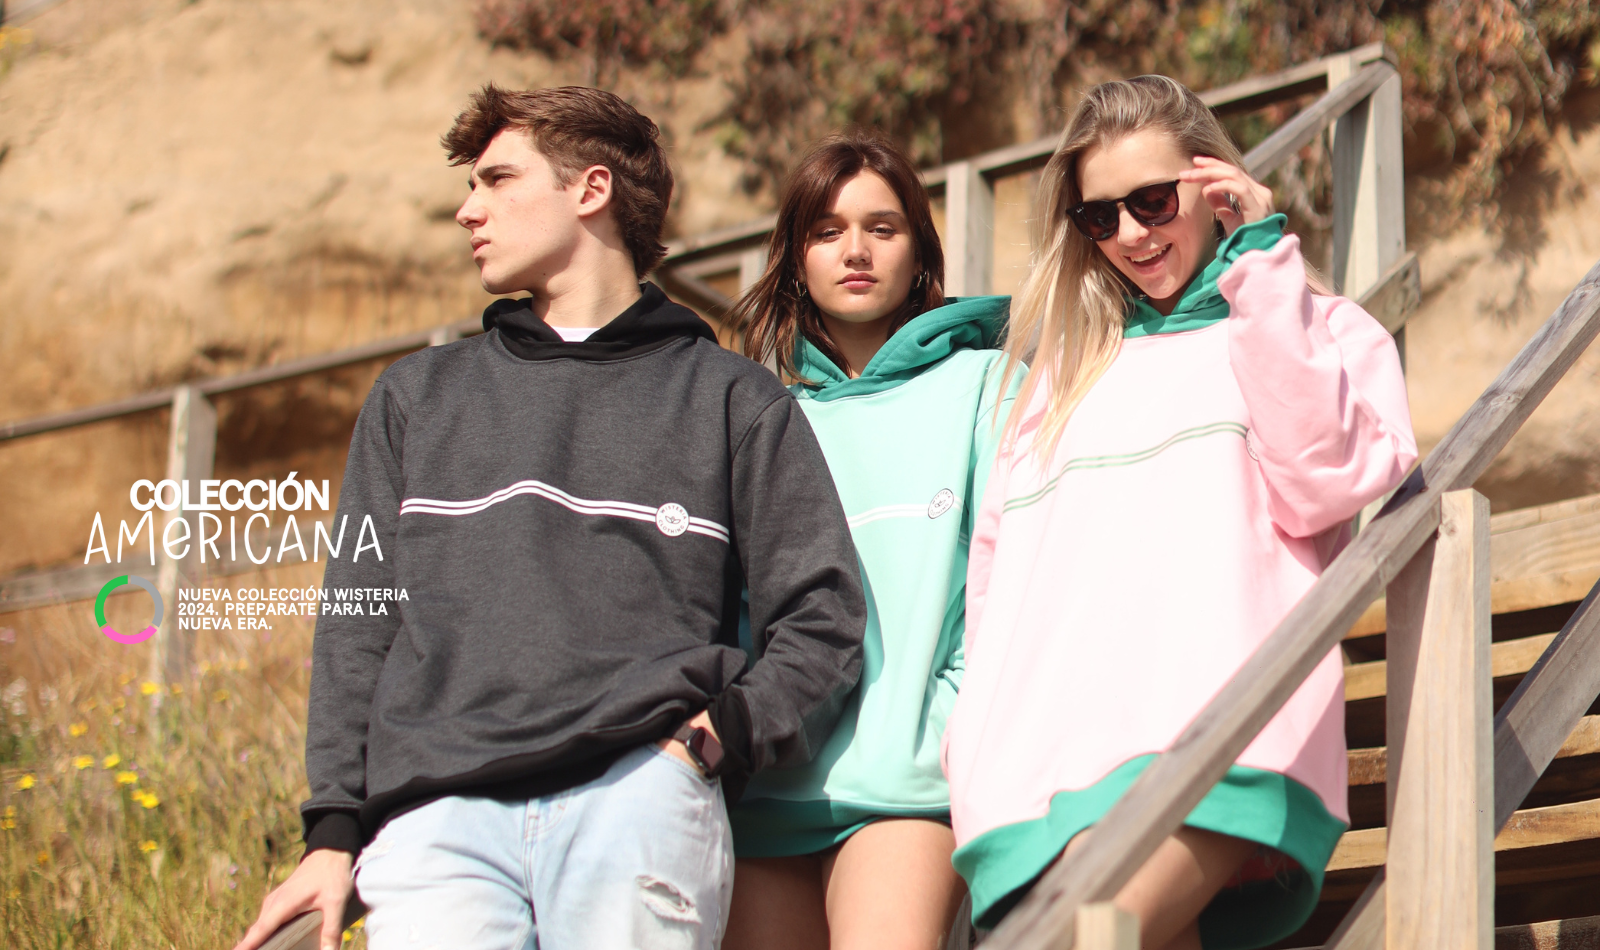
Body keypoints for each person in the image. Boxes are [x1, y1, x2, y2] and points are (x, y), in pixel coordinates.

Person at [232, 84, 867, 950]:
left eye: (497, 180)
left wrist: (717, 739)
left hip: (638, 797)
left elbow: (823, 615)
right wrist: (332, 832)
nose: (468, 210)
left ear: (590, 189)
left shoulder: (731, 398)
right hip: (436, 820)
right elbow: (357, 623)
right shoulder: (416, 397)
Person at [942, 75, 1417, 950]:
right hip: (1043, 760)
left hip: (1227, 729)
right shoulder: (1052, 379)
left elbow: (1326, 480)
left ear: (1213, 183)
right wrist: (969, 742)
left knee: (1094, 939)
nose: (1131, 233)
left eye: (1153, 200)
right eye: (1100, 216)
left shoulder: (1321, 327)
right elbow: (994, 583)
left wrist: (1262, 269)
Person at [721, 132, 1020, 950]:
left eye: (882, 228)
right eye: (827, 231)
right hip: (767, 789)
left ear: (920, 251)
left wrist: (948, 727)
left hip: (911, 784)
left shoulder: (989, 384)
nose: (855, 251)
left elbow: (1016, 585)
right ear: (796, 260)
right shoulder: (759, 417)